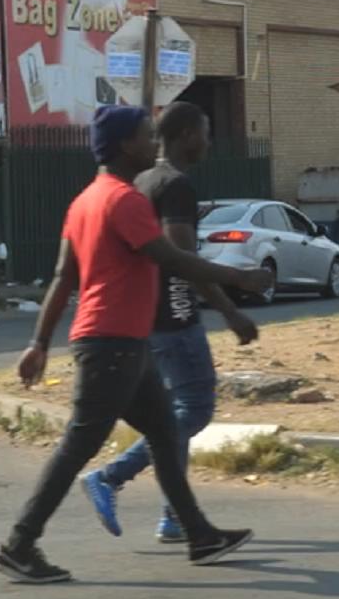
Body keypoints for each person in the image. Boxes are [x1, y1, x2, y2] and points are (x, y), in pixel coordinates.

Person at [0, 106, 273, 584]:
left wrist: (39, 341)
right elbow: (170, 257)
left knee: (165, 433)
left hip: (123, 343)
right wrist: (241, 279)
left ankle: (199, 535)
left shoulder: (85, 200)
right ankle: (19, 544)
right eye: (147, 136)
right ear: (126, 145)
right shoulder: (123, 201)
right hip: (112, 343)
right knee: (79, 445)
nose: (154, 144)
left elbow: (64, 277)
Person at [81, 103, 260, 543]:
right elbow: (184, 260)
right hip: (174, 316)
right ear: (184, 136)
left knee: (169, 413)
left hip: (144, 315)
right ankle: (111, 475)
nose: (210, 141)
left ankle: (173, 516)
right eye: (205, 131)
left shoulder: (141, 180)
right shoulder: (176, 185)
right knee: (194, 408)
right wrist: (230, 309)